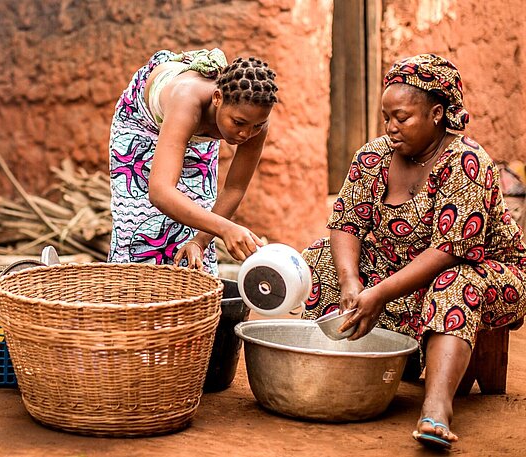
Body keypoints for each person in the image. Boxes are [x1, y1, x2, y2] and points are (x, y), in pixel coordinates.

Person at [301, 53, 526, 450]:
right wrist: (354, 283)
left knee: (455, 282)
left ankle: (436, 408)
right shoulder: (374, 156)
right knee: (319, 258)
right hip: (399, 270)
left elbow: (450, 250)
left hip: (485, 272)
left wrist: (380, 293)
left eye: (401, 118)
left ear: (437, 113)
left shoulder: (467, 162)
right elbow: (345, 224)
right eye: (386, 117)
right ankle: (331, 369)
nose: (390, 128)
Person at [108, 48, 278, 275]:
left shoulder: (254, 120)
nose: (245, 134)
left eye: (256, 126)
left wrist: (200, 241)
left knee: (195, 229)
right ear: (218, 99)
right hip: (142, 121)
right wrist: (225, 229)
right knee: (138, 230)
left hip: (202, 126)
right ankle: (131, 296)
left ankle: (190, 304)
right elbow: (159, 192)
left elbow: (234, 187)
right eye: (239, 123)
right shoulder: (186, 100)